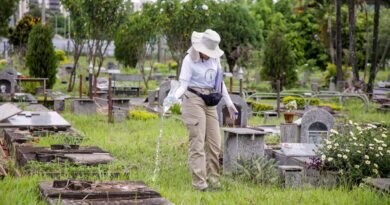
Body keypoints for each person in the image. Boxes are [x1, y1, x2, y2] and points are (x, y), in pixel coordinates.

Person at [164, 29, 237, 191]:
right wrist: (171, 99)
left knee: (214, 142)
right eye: (207, 52)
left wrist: (229, 102)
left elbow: (220, 82)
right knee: (197, 142)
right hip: (193, 100)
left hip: (210, 100)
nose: (210, 55)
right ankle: (200, 184)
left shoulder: (215, 59)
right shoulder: (189, 59)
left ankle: (214, 179)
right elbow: (183, 84)